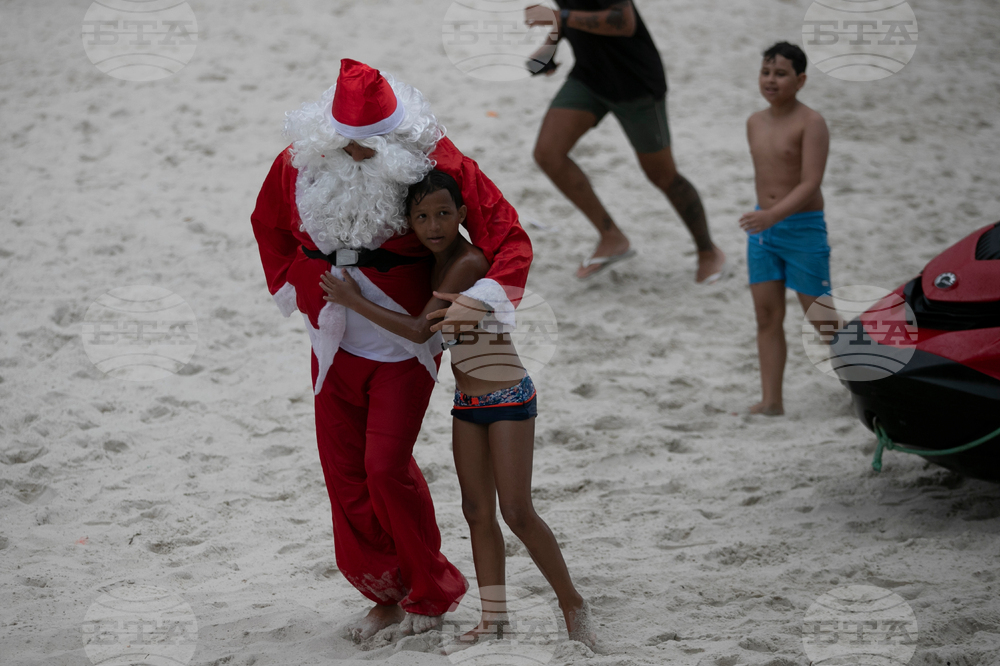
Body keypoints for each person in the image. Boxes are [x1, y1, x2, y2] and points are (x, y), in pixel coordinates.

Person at [249, 59, 532, 639]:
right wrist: (293, 290)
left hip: (404, 342)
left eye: (371, 143)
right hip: (329, 337)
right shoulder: (299, 161)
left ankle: (431, 592)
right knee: (345, 476)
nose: (358, 154)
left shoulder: (436, 161)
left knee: (384, 470)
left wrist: (479, 299)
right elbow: (269, 225)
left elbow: (506, 234)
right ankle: (388, 591)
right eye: (348, 142)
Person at [319, 170, 595, 647]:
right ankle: (494, 617)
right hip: (467, 401)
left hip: (507, 396)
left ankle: (573, 602)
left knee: (516, 511)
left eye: (444, 214)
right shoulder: (430, 262)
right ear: (408, 222)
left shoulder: (467, 261)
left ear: (462, 214)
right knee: (475, 511)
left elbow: (417, 330)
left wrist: (351, 299)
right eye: (422, 217)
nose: (434, 225)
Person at [524, 1, 726, 281]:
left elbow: (624, 21)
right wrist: (549, 48)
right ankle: (612, 237)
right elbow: (569, 14)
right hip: (590, 76)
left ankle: (708, 251)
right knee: (548, 153)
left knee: (663, 176)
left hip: (635, 83)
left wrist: (561, 17)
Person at [739, 42, 839, 416]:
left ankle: (867, 383)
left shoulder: (811, 123)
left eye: (780, 74)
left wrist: (772, 215)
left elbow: (810, 183)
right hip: (763, 231)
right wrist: (765, 219)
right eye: (766, 72)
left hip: (802, 229)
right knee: (766, 316)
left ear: (800, 80)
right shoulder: (754, 121)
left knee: (821, 318)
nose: (771, 80)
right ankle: (771, 401)